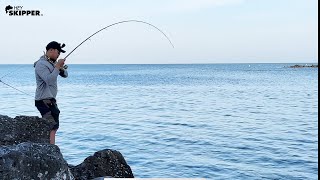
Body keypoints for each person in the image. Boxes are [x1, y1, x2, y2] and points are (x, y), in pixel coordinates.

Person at [34, 41, 68, 144]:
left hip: (50, 99)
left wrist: (60, 68)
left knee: (54, 125)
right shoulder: (41, 64)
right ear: (51, 50)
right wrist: (57, 66)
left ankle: (50, 146)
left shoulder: (51, 63)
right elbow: (49, 80)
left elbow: (65, 75)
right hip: (43, 100)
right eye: (58, 52)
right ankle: (51, 147)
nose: (58, 55)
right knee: (51, 125)